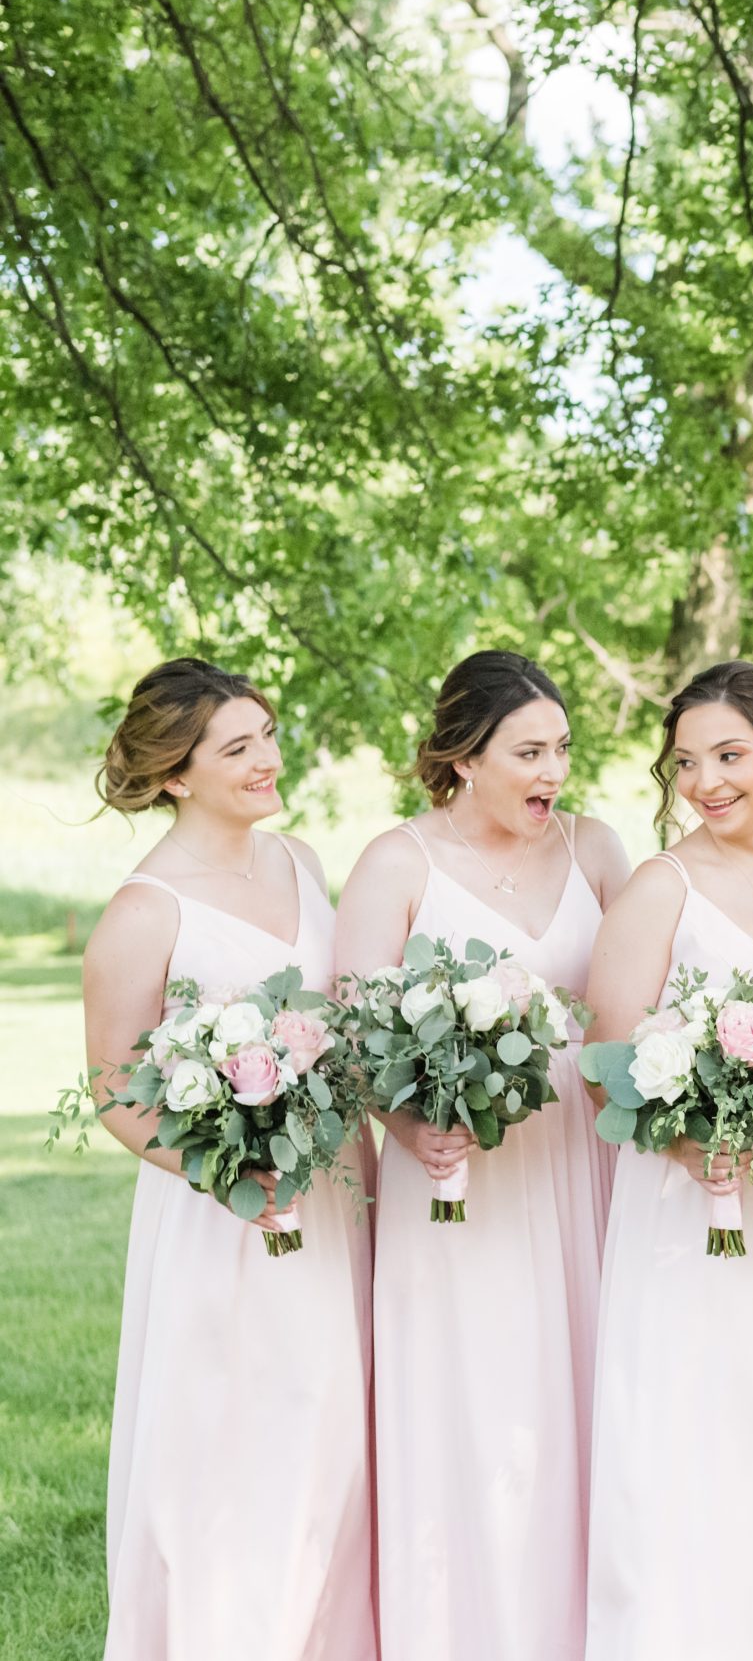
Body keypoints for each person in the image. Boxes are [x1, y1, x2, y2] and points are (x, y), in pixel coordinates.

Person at [333, 649, 629, 1661]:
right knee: (482, 1412)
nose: (553, 772)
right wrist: (411, 1126)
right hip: (461, 1187)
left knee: (591, 1409)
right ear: (463, 757)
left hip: (586, 1168)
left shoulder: (596, 849)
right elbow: (354, 1035)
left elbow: (644, 995)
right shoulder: (398, 862)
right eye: (529, 752)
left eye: (561, 751)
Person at [82, 660, 374, 1660]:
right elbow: (116, 1087)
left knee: (334, 1433)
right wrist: (228, 1174)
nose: (268, 759)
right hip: (225, 1214)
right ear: (175, 773)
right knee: (235, 1438)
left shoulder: (299, 860)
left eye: (269, 735)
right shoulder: (146, 910)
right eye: (238, 747)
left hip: (334, 1193)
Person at [583, 663, 753, 1659]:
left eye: (728, 755)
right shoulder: (662, 887)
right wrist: (693, 1142)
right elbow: (607, 1066)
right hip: (693, 1205)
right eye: (685, 762)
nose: (703, 780)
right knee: (697, 1438)